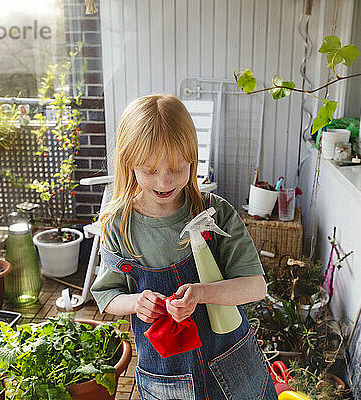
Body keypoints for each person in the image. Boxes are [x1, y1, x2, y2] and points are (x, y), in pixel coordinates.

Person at [91, 93, 277, 400]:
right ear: (129, 163)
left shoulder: (214, 213)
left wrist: (201, 294)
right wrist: (137, 302)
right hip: (165, 376)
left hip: (234, 365)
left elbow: (256, 287)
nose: (164, 182)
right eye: (150, 170)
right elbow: (107, 297)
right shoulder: (118, 225)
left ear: (193, 158)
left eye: (177, 168)